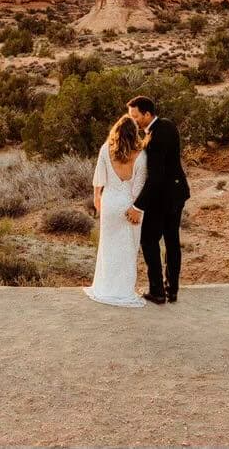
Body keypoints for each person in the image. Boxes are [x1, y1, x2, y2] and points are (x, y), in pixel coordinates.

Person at [126, 96, 190, 304]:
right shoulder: (169, 125)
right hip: (178, 193)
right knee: (172, 241)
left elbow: (155, 178)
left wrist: (137, 205)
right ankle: (172, 290)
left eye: (135, 116)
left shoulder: (153, 139)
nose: (133, 120)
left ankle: (157, 291)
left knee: (149, 240)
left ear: (147, 114)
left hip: (161, 198)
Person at [83, 116, 148, 307]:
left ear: (116, 132)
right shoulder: (141, 156)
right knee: (129, 248)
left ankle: (105, 287)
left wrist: (97, 198)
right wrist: (136, 208)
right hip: (130, 205)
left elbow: (99, 179)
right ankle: (123, 290)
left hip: (109, 203)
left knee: (108, 246)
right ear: (134, 134)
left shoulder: (105, 150)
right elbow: (139, 187)